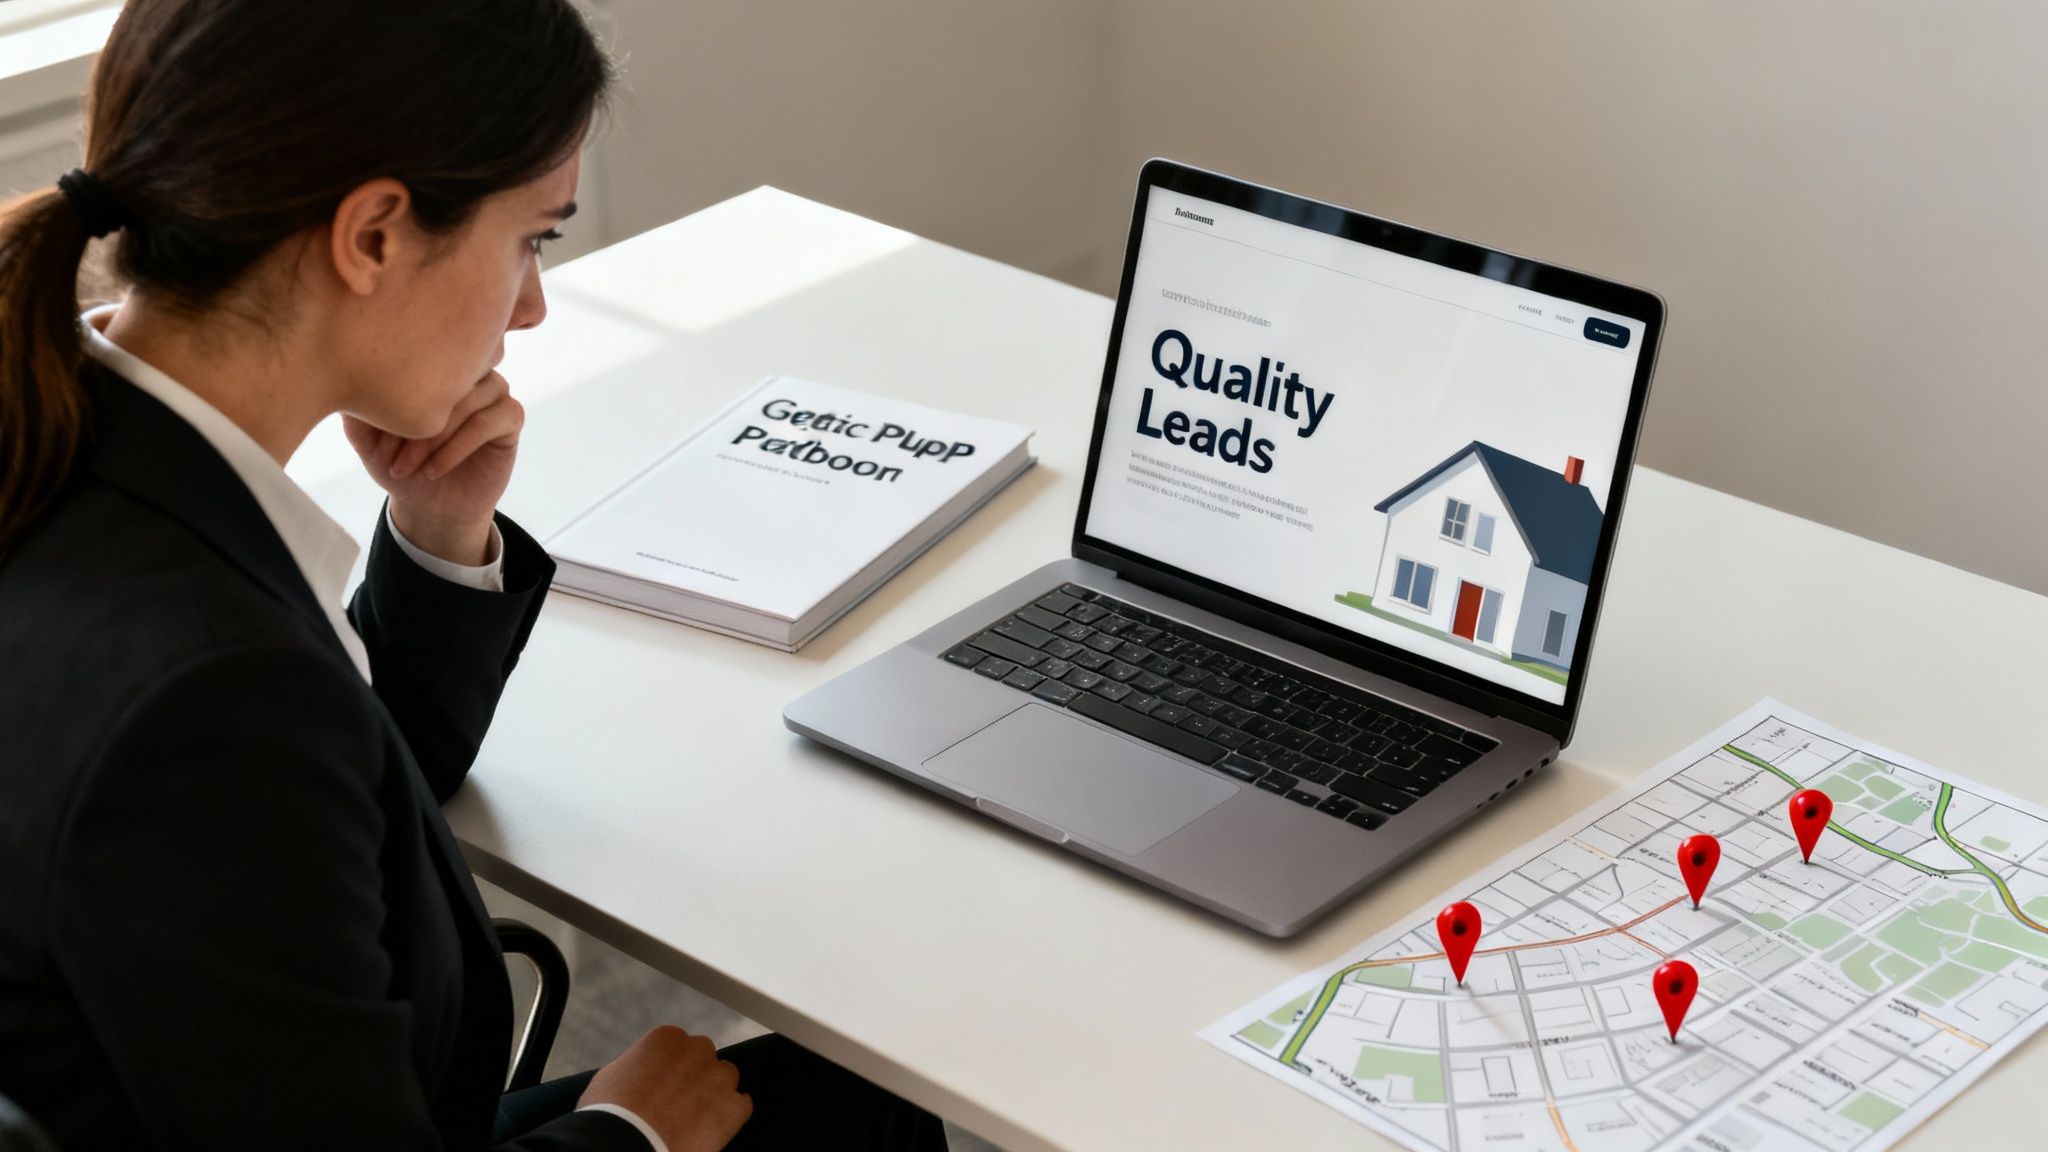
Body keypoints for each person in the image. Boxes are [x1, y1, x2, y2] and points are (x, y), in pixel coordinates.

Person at [0, 2, 948, 1149]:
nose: (533, 306)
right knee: (868, 1111)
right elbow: (245, 765)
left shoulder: (72, 453)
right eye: (532, 240)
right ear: (374, 235)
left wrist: (438, 536)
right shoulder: (205, 702)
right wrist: (623, 1141)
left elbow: (326, 806)